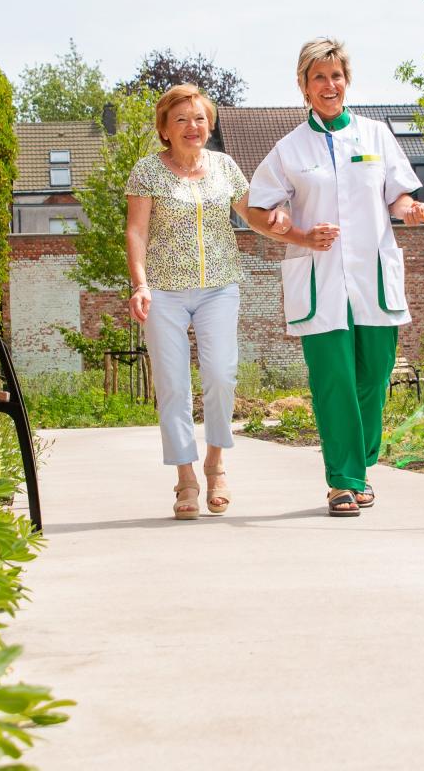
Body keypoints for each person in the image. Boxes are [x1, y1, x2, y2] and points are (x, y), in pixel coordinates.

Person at [247, 38, 424, 517]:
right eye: (319, 78)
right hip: (321, 279)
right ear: (304, 87)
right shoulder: (289, 149)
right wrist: (297, 233)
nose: (330, 85)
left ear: (347, 81)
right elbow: (260, 209)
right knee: (334, 380)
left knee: (374, 375)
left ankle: (360, 464)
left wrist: (410, 209)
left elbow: (398, 196)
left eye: (336, 76)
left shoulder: (376, 136)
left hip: (373, 274)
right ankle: (343, 480)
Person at [125, 84, 285, 520]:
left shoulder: (226, 167)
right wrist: (140, 285)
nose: (192, 127)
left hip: (219, 286)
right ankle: (186, 479)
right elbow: (137, 231)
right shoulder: (146, 172)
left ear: (209, 123)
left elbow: (251, 213)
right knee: (173, 385)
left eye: (198, 118)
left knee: (220, 374)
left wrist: (277, 217)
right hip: (164, 290)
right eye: (181, 119)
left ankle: (216, 464)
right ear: (165, 129)